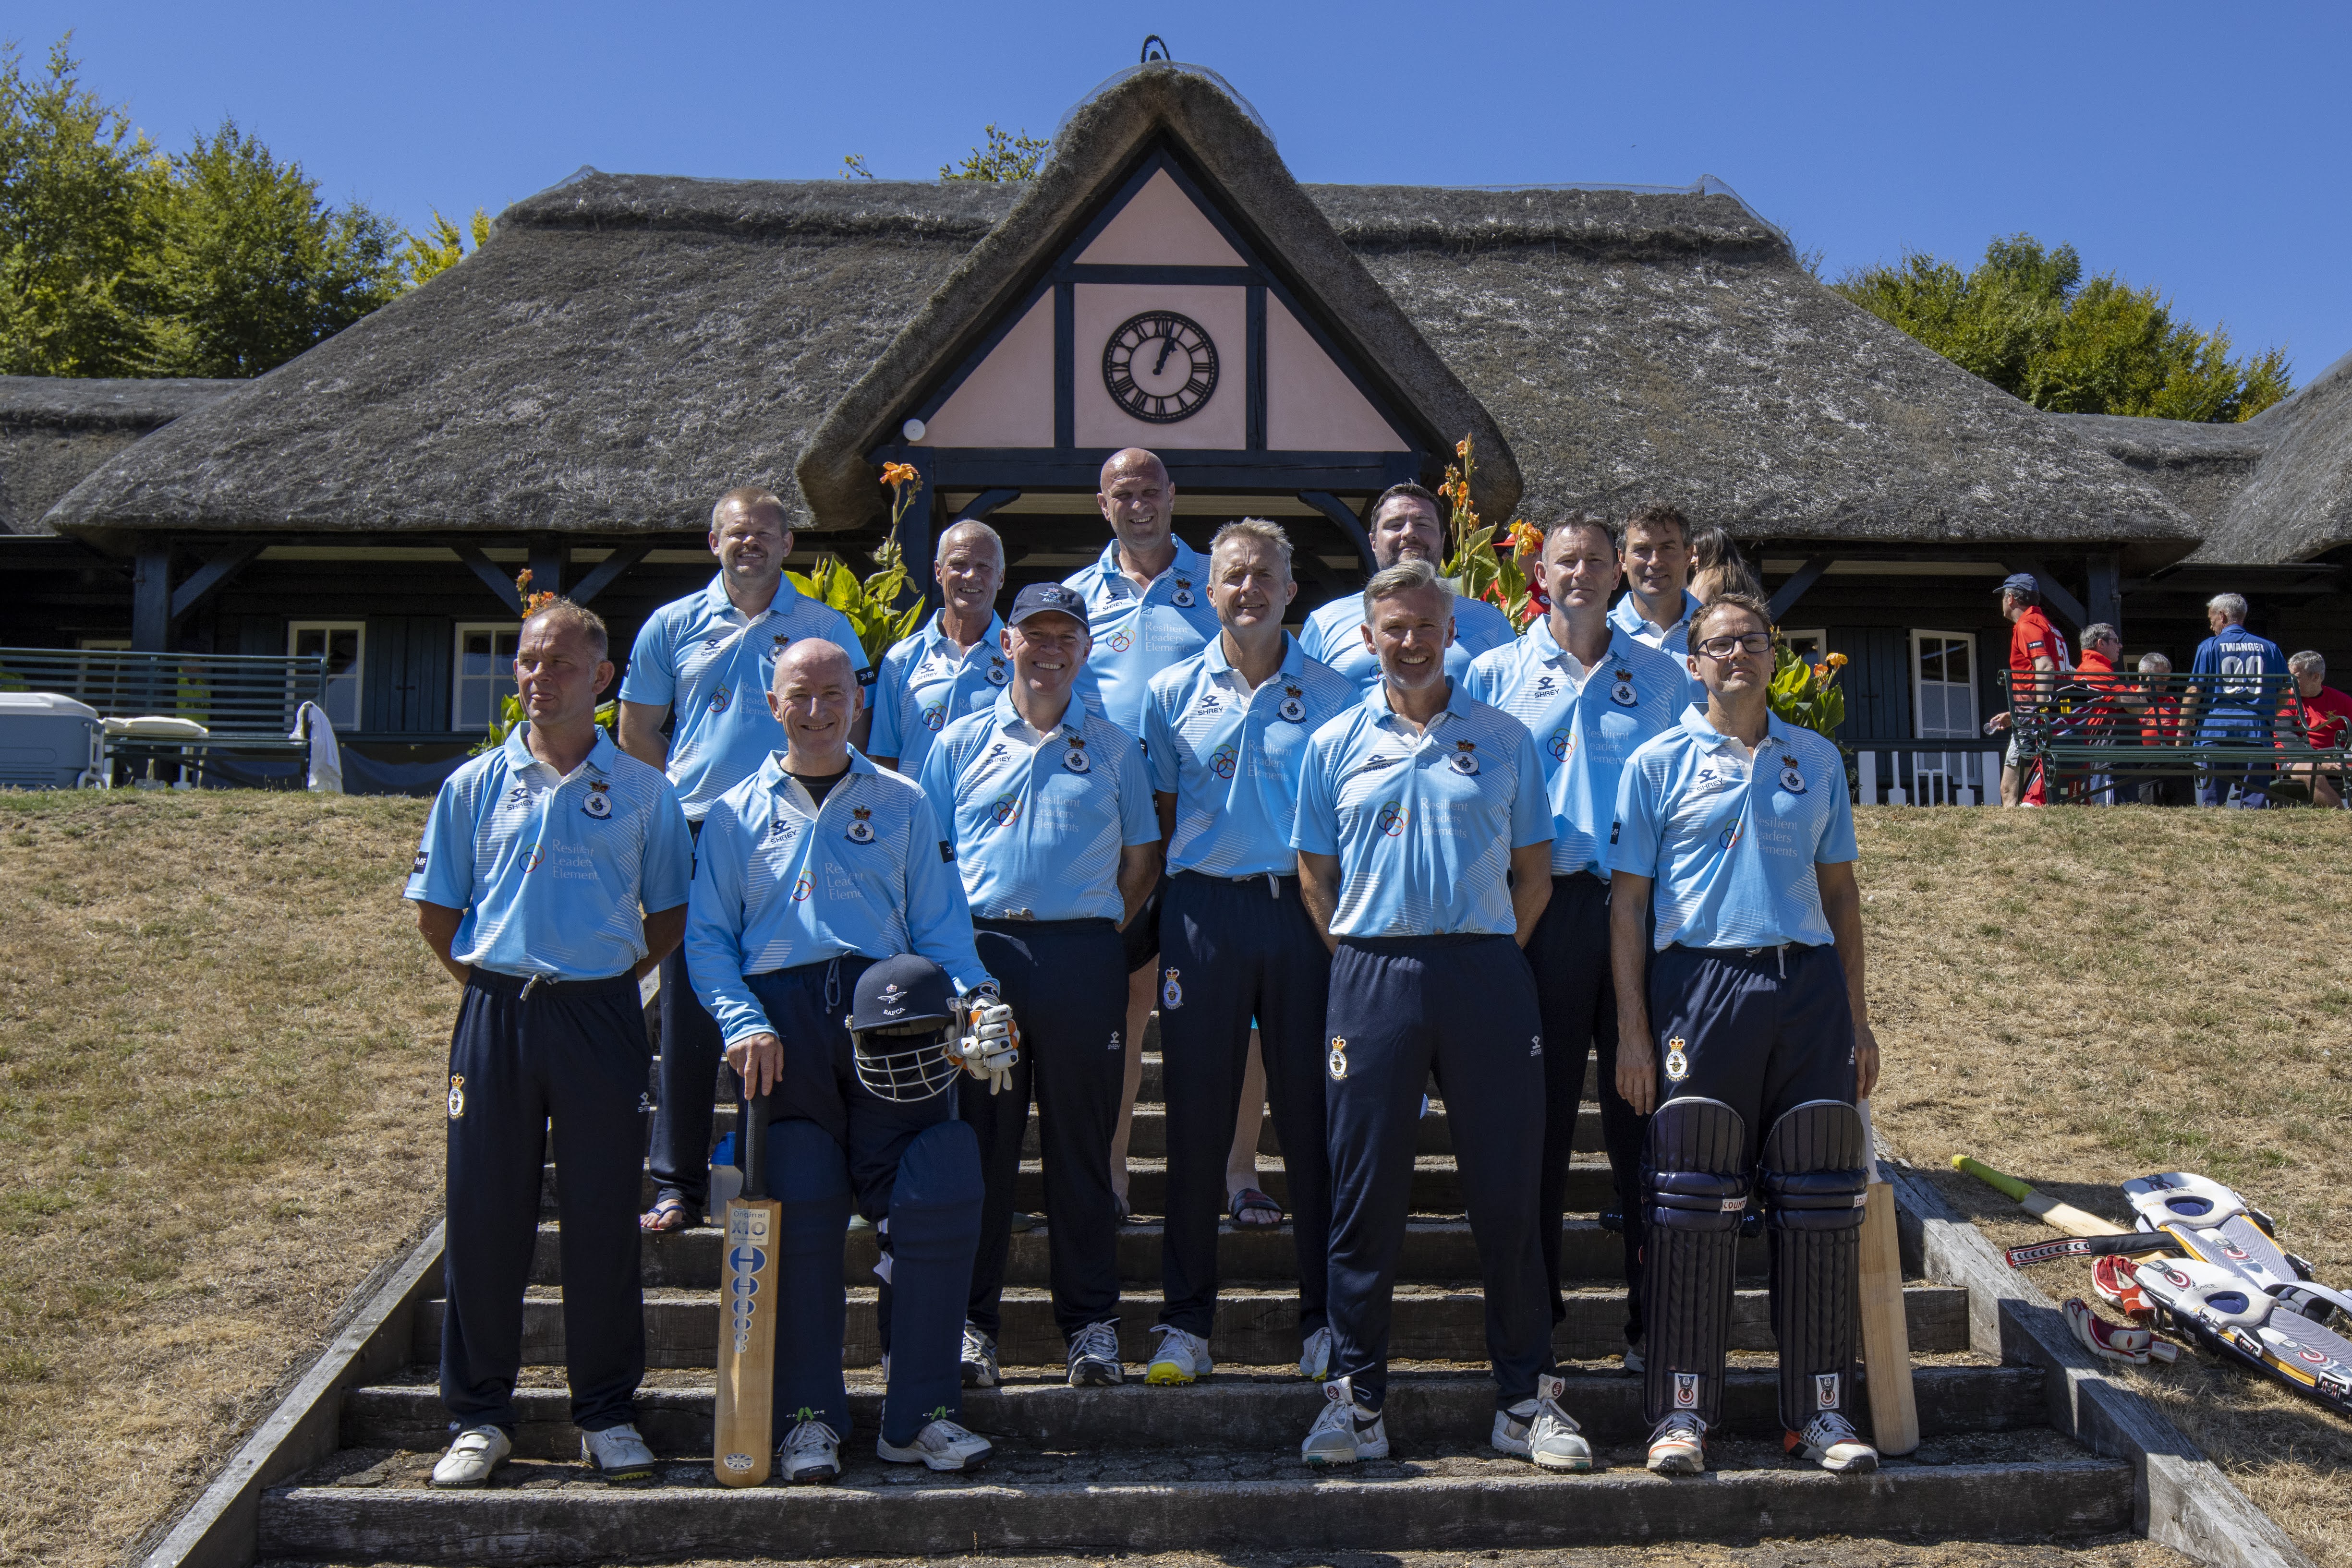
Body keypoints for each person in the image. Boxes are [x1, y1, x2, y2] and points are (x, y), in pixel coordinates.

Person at [1291, 558, 1589, 1472]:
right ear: (1369, 637)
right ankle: (1356, 1399)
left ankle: (1523, 1399)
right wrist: (1368, 959)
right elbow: (1313, 874)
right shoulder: (1333, 741)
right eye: (1393, 629)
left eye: (1424, 626)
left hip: (1484, 974)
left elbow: (1534, 877)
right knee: (1362, 1197)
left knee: (1507, 1191)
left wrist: (1485, 949)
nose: (1410, 642)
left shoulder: (1504, 738)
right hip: (1372, 973)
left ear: (1450, 631)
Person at [685, 638, 1004, 1482]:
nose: (818, 710)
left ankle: (922, 1417)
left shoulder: (901, 800)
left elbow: (942, 927)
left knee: (939, 1190)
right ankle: (805, 1422)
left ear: (858, 701)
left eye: (834, 693)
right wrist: (740, 1020)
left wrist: (977, 998)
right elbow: (709, 943)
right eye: (800, 694)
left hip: (891, 1018)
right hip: (780, 1033)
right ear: (772, 701)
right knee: (802, 1214)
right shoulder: (730, 811)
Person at [404, 598, 693, 1489]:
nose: (538, 678)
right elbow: (437, 912)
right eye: (528, 662)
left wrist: (590, 981)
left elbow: (669, 915)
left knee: (605, 1218)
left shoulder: (646, 791)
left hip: (599, 1016)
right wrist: (508, 986)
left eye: (559, 664)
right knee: (485, 1217)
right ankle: (478, 1416)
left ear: (602, 679)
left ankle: (606, 1413)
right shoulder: (472, 784)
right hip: (496, 1013)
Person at [1605, 591, 1882, 1478]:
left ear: (1773, 656)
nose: (1735, 655)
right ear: (1692, 664)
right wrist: (1633, 1033)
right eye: (1717, 644)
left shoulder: (1816, 758)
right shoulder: (1655, 761)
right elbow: (1628, 903)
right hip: (1701, 979)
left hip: (1804, 984)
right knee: (1691, 1192)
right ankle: (1679, 1414)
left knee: (1819, 1189)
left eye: (1750, 641)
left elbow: (1839, 895)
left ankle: (1822, 1413)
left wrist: (1858, 1017)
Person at [920, 582, 1163, 1389]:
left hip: (1082, 956)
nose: (1049, 649)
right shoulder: (956, 743)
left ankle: (1091, 1327)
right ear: (1006, 644)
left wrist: (1088, 931)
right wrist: (962, 960)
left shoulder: (1116, 747)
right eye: (1034, 634)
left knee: (1080, 1150)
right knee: (980, 1151)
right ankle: (969, 1325)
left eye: (1066, 635)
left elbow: (1139, 863)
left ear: (1085, 649)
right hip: (981, 956)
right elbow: (926, 867)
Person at [616, 486, 873, 1237]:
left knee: (793, 1000)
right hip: (701, 829)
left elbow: (849, 714)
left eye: (764, 532)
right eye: (736, 533)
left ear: (789, 543)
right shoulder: (672, 625)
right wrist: (686, 794)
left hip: (803, 827)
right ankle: (677, 1183)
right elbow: (637, 730)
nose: (749, 543)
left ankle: (791, 1171)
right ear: (712, 541)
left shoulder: (825, 626)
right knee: (694, 1009)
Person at [1138, 519, 1357, 1387]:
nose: (1249, 590)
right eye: (1232, 576)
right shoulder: (1168, 690)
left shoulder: (1337, 694)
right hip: (1202, 913)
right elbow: (1156, 817)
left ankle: (1324, 1320)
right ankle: (1185, 1326)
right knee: (1195, 1123)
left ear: (1290, 589)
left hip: (1301, 913)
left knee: (1312, 1122)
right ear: (1209, 588)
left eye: (1265, 574)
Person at [1464, 516, 1683, 1371]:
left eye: (1597, 559)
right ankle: (1536, 1317)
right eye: (1567, 560)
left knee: (1643, 1126)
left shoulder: (1662, 676)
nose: (1582, 573)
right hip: (1539, 909)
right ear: (1538, 572)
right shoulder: (1493, 673)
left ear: (1618, 572)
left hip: (1635, 908)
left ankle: (1649, 1324)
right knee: (1538, 1124)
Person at [1060, 449, 1222, 1220]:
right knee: (1121, 1002)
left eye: (1149, 490)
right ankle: (1114, 1170)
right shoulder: (1075, 597)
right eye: (1121, 493)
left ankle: (1237, 1170)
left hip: (1203, 823)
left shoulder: (1215, 582)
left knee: (1229, 1013)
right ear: (1102, 503)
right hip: (1109, 827)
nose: (1137, 504)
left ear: (1172, 495)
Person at [1299, 482, 1517, 691]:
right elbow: (1305, 706)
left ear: (1442, 540)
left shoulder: (1490, 622)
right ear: (1373, 542)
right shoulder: (1325, 623)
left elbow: (1514, 704)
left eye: (1423, 524)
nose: (1409, 533)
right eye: (1395, 525)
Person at [868, 519, 1009, 778]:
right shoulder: (901, 660)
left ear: (1001, 577)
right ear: (938, 571)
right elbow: (885, 758)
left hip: (992, 817)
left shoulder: (1020, 657)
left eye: (984, 566)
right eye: (958, 564)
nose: (970, 575)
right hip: (918, 816)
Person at [2184, 593, 2287, 808]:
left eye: (2211, 619)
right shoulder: (2270, 648)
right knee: (2254, 806)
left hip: (2216, 731)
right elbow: (2285, 692)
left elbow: (2194, 690)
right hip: (2256, 732)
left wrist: (2183, 730)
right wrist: (2268, 717)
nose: (2211, 626)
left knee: (2212, 804)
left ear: (2222, 616)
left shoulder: (2209, 646)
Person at [1984, 573, 2072, 808]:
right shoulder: (2049, 626)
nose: (2002, 601)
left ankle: (2010, 837)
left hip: (2037, 720)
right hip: (2053, 716)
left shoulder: (2027, 625)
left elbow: (2045, 666)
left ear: (2011, 598)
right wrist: (2014, 714)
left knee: (2008, 788)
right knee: (2013, 787)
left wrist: (2041, 710)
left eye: (2003, 596)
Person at [1609, 503, 1706, 709]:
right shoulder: (1602, 634)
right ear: (1623, 559)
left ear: (1688, 556)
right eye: (1642, 549)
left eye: (1667, 548)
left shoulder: (1716, 634)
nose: (1655, 561)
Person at [2286, 650, 2352, 808]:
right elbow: (2288, 740)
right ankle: (2344, 821)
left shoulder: (2342, 700)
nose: (2290, 683)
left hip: (2338, 756)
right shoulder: (2286, 700)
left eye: (2295, 678)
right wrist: (2321, 760)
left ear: (2315, 678)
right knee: (2311, 770)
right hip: (2296, 758)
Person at [2122, 651, 2184, 807]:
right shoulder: (2130, 701)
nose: (2165, 684)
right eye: (2160, 679)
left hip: (2173, 766)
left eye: (2167, 680)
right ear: (2144, 676)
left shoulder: (2170, 701)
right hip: (2144, 768)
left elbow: (2184, 730)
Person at [1687, 524, 1763, 603]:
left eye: (1696, 555)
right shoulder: (1751, 586)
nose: (1692, 561)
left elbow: (1694, 612)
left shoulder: (1706, 577)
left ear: (1710, 553)